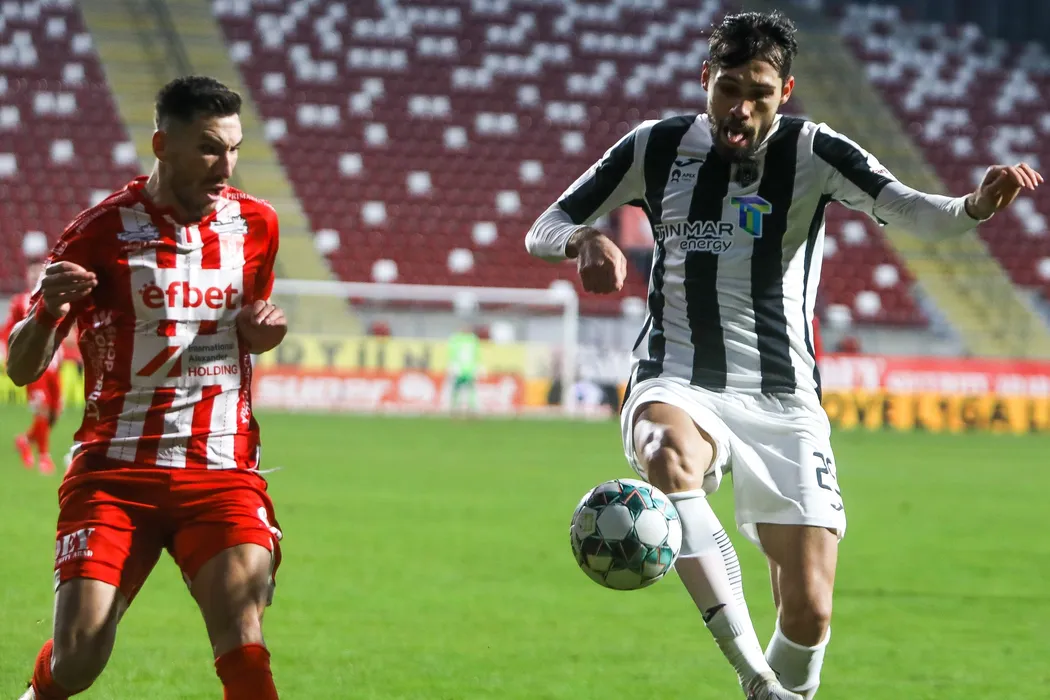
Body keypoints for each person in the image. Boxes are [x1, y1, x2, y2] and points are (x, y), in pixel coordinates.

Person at [525, 11, 1042, 700]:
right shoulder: (656, 145)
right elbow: (547, 223)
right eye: (728, 88)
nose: (741, 108)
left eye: (759, 93)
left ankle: (781, 687)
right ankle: (754, 676)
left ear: (785, 92)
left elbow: (910, 209)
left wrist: (973, 205)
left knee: (809, 613)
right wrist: (585, 240)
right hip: (677, 375)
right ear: (705, 79)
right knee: (665, 454)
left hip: (783, 395)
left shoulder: (813, 150)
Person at [5, 75, 288, 700]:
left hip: (220, 471)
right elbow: (22, 369)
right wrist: (47, 312)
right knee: (77, 661)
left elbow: (249, 327)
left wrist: (262, 331)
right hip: (116, 472)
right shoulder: (98, 232)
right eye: (209, 148)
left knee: (244, 637)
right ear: (163, 145)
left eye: (234, 149)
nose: (226, 165)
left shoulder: (257, 225)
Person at [3, 261, 63, 475]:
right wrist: (6, 349)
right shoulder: (20, 301)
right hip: (32, 362)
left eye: (40, 273)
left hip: (54, 362)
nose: (36, 276)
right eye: (33, 273)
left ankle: (25, 440)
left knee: (55, 413)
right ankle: (44, 457)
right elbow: (8, 329)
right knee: (42, 409)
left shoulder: (56, 299)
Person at [447, 326, 481, 413]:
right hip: (459, 369)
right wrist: (453, 365)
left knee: (471, 389)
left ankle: (472, 407)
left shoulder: (473, 340)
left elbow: (477, 354)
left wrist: (477, 367)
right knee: (456, 388)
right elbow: (452, 353)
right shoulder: (456, 339)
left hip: (470, 370)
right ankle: (454, 406)